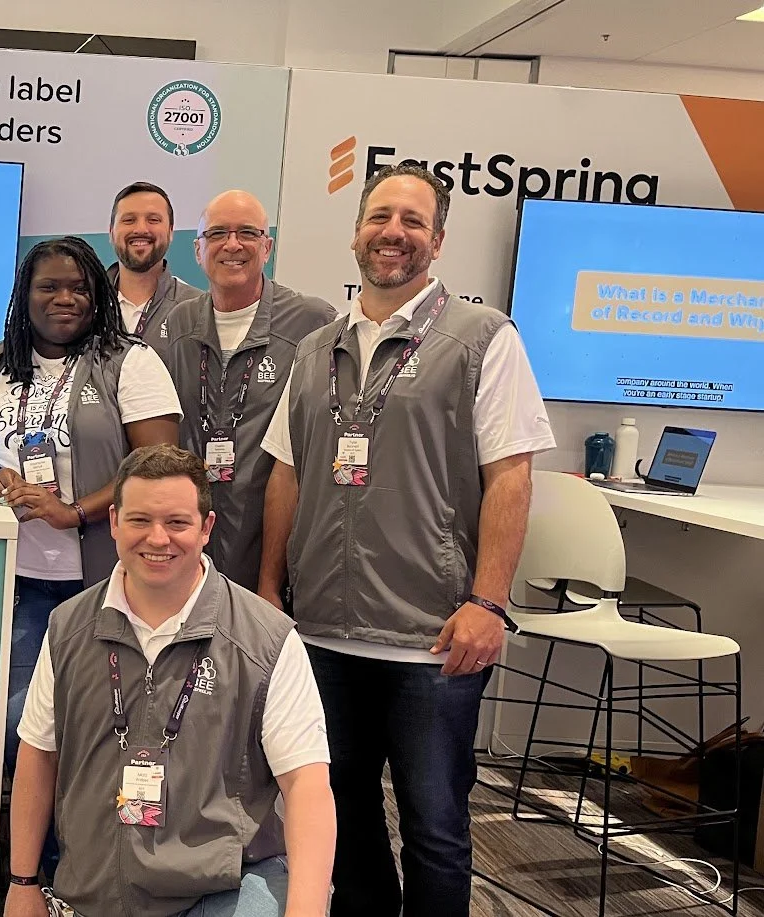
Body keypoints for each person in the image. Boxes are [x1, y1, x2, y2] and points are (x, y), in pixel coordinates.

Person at [257, 164, 554, 917]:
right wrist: (267, 590)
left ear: (438, 240)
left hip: (432, 635)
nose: (393, 233)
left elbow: (511, 478)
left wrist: (487, 600)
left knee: (433, 824)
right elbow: (286, 476)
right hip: (322, 628)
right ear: (356, 231)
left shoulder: (481, 338)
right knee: (339, 808)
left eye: (412, 221)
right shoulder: (315, 347)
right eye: (379, 216)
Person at [7, 444, 335, 917]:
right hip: (97, 891)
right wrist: (22, 883)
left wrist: (305, 910)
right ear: (114, 522)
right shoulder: (68, 629)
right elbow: (39, 754)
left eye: (177, 523)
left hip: (223, 888)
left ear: (206, 527)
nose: (158, 539)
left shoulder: (266, 640)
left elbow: (307, 783)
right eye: (140, 521)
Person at [0, 235, 181, 773]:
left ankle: (81, 852)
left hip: (105, 581)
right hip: (19, 580)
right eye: (49, 287)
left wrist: (75, 512)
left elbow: (161, 467)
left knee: (101, 728)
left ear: (98, 295)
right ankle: (29, 849)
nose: (65, 298)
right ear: (24, 295)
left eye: (79, 288)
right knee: (20, 728)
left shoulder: (131, 362)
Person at [160, 191, 335, 592]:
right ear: (198, 249)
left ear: (268, 247)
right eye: (217, 233)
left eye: (248, 233)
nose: (232, 244)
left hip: (275, 540)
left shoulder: (313, 322)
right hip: (190, 537)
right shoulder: (177, 324)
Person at [107, 182, 205, 356]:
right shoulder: (86, 305)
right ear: (111, 232)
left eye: (153, 220)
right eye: (129, 220)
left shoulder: (198, 308)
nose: (141, 229)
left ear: (171, 231)